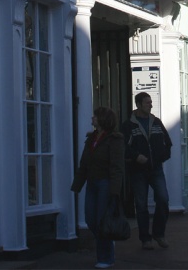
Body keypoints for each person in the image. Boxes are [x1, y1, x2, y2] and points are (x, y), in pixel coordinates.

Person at [71, 107, 125, 270]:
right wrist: (77, 185)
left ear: (102, 120)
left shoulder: (115, 140)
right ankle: (108, 242)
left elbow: (117, 166)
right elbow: (84, 163)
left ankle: (106, 258)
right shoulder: (91, 139)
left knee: (102, 221)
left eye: (95, 116)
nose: (92, 118)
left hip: (105, 184)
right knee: (90, 219)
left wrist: (115, 190)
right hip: (92, 183)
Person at [121, 93, 172, 250]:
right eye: (147, 103)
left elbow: (167, 142)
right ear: (138, 104)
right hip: (138, 171)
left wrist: (161, 157)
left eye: (150, 102)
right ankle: (145, 239)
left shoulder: (156, 122)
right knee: (141, 205)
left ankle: (159, 233)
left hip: (156, 168)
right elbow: (123, 146)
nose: (150, 105)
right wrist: (136, 156)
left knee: (163, 199)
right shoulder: (128, 125)